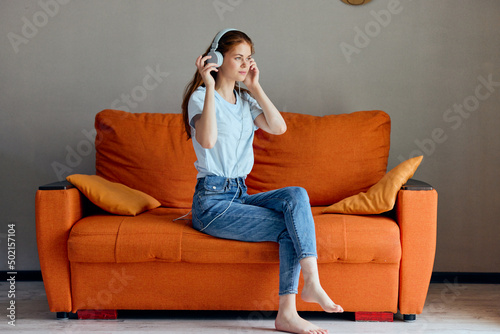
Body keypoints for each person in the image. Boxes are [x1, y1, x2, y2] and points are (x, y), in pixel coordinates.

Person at [181, 29, 343, 334]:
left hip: (239, 195)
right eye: (237, 58)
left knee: (296, 195)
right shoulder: (200, 98)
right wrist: (210, 86)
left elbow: (278, 127)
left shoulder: (244, 100)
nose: (245, 64)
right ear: (217, 59)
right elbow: (208, 139)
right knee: (288, 227)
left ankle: (312, 283)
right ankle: (288, 312)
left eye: (248, 58)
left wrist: (255, 87)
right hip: (212, 202)